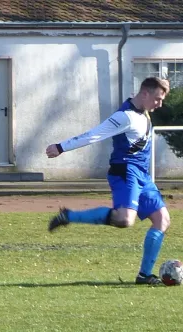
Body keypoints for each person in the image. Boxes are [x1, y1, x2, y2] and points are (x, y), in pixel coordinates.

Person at [45, 77, 171, 285]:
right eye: (157, 99)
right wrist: (61, 147)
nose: (160, 104)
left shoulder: (143, 110)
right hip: (126, 172)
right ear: (145, 94)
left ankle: (144, 275)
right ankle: (69, 216)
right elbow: (94, 135)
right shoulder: (125, 117)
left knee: (162, 220)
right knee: (124, 220)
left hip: (142, 175)